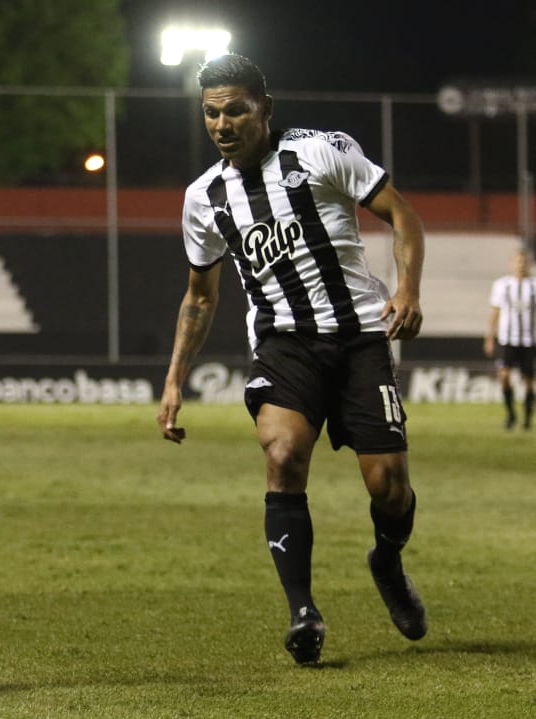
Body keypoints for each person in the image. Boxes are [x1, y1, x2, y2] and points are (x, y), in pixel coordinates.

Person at [156, 53, 427, 665]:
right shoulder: (205, 197)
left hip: (361, 337)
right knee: (281, 453)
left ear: (265, 109)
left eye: (235, 110)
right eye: (211, 113)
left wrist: (407, 289)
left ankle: (386, 560)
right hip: (284, 345)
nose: (222, 123)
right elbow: (200, 297)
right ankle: (303, 611)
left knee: (388, 487)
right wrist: (174, 380)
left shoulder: (320, 153)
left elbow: (402, 215)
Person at [483, 249, 536, 430]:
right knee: (504, 376)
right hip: (507, 340)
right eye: (517, 262)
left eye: (524, 262)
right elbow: (495, 312)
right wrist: (490, 337)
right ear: (512, 264)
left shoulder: (534, 285)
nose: (521, 265)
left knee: (529, 380)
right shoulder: (501, 285)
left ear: (529, 264)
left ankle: (527, 417)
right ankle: (511, 415)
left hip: (530, 340)